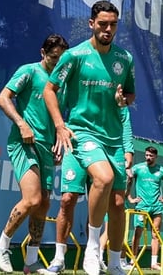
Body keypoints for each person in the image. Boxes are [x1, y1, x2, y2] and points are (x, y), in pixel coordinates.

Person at [43, 0, 136, 275]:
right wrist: (60, 126)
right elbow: (50, 90)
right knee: (88, 187)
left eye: (113, 24)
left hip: (113, 139)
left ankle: (115, 262)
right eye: (103, 24)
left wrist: (123, 100)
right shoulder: (74, 55)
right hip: (82, 133)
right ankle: (89, 250)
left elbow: (130, 95)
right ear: (91, 23)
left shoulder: (125, 58)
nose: (108, 29)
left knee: (117, 203)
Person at [0, 34, 69, 275]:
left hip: (47, 148)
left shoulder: (62, 83)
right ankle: (2, 245)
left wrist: (58, 142)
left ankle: (31, 261)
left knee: (43, 203)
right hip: (23, 143)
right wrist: (21, 123)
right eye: (53, 57)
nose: (57, 63)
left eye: (61, 59)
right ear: (43, 53)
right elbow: (3, 98)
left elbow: (58, 117)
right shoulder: (29, 71)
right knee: (32, 199)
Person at [45, 107, 134, 274]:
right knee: (67, 199)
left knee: (117, 203)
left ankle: (105, 259)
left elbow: (124, 115)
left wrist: (128, 149)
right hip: (77, 142)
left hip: (108, 147)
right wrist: (57, 137)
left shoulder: (115, 92)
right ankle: (59, 257)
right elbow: (58, 103)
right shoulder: (75, 89)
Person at [127, 146, 163, 270]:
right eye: (147, 155)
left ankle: (153, 263)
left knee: (156, 233)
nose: (148, 157)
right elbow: (128, 180)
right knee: (137, 232)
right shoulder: (138, 168)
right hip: (141, 206)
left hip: (156, 207)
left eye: (151, 156)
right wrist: (129, 197)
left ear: (156, 156)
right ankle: (132, 261)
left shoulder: (162, 170)